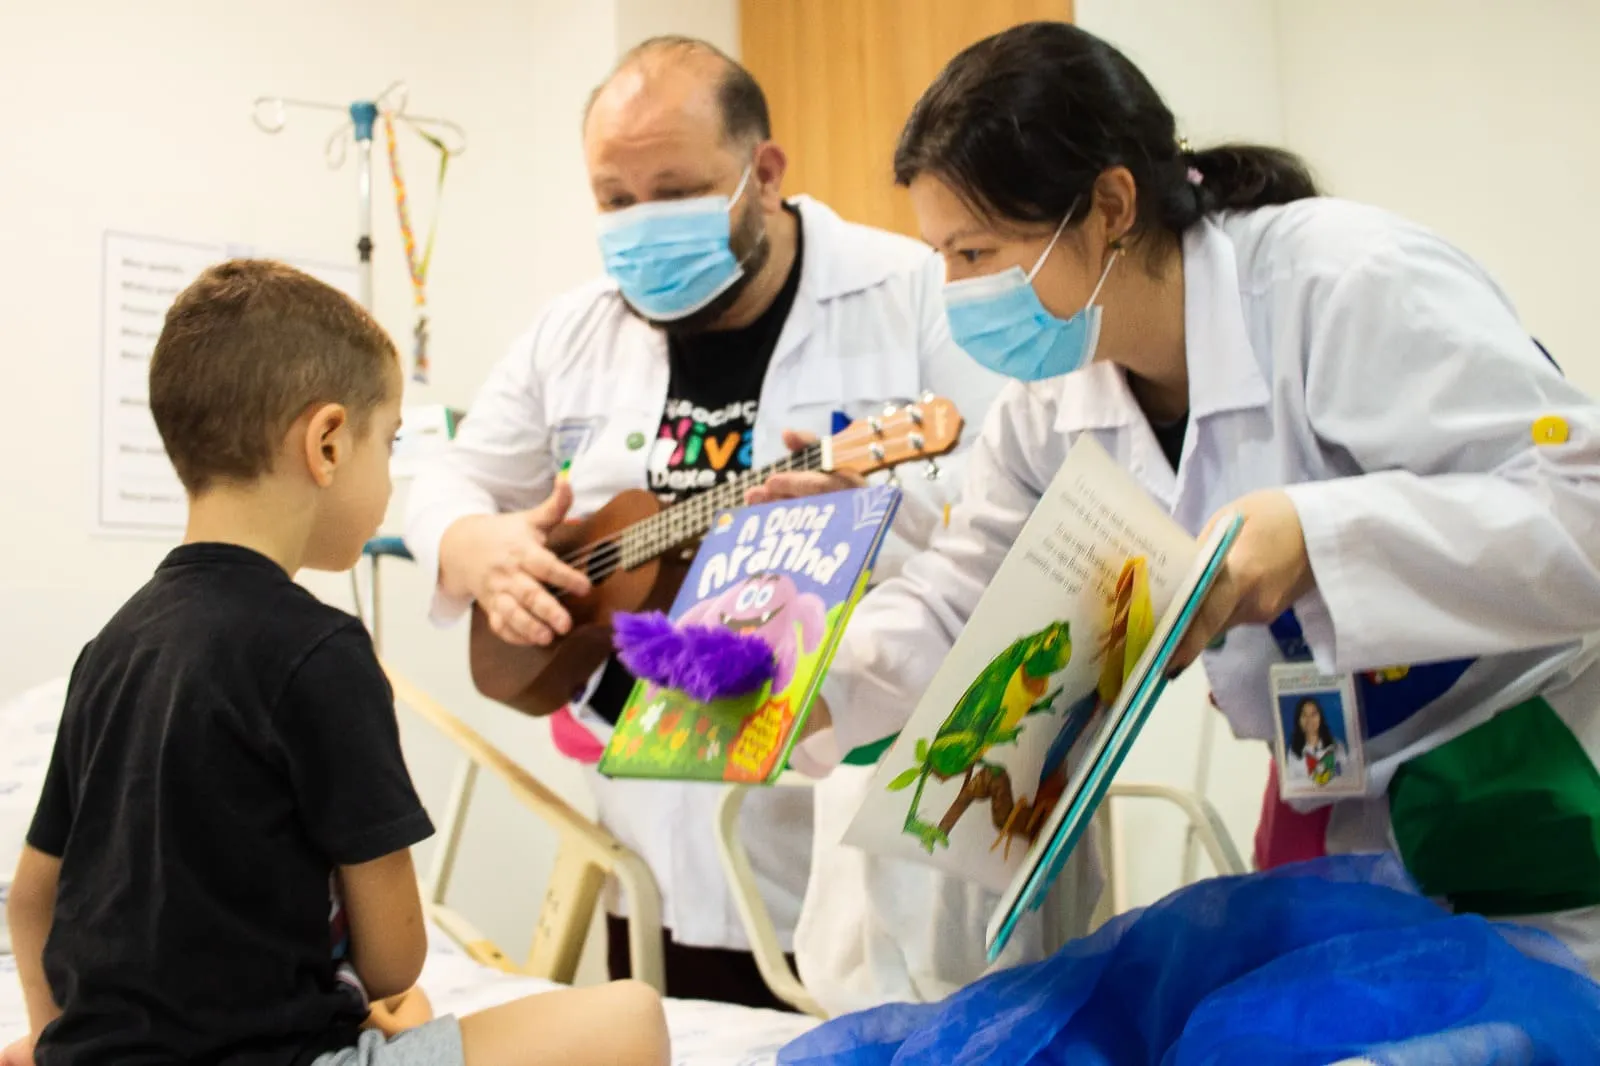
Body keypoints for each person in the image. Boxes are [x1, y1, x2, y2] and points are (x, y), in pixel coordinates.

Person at [771, 20, 1600, 976]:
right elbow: (965, 602)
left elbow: (1576, 504)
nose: (956, 293)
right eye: (943, 259)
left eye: (976, 253)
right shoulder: (1050, 407)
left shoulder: (1340, 283)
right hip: (1330, 791)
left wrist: (1317, 536)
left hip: (1524, 776)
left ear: (1112, 203)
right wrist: (809, 680)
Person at [403, 36, 1003, 1006]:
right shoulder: (574, 328)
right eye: (615, 199)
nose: (641, 225)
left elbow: (1008, 498)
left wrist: (870, 524)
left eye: (673, 191)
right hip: (643, 820)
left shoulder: (911, 292)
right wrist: (473, 547)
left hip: (847, 812)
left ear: (763, 173)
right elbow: (444, 476)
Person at [1, 261, 668, 1066]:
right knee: (629, 1018)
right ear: (326, 444)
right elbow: (394, 962)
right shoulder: (323, 651)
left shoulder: (107, 651)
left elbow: (32, 901)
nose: (389, 476)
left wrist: (49, 1039)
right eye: (387, 444)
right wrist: (388, 1003)